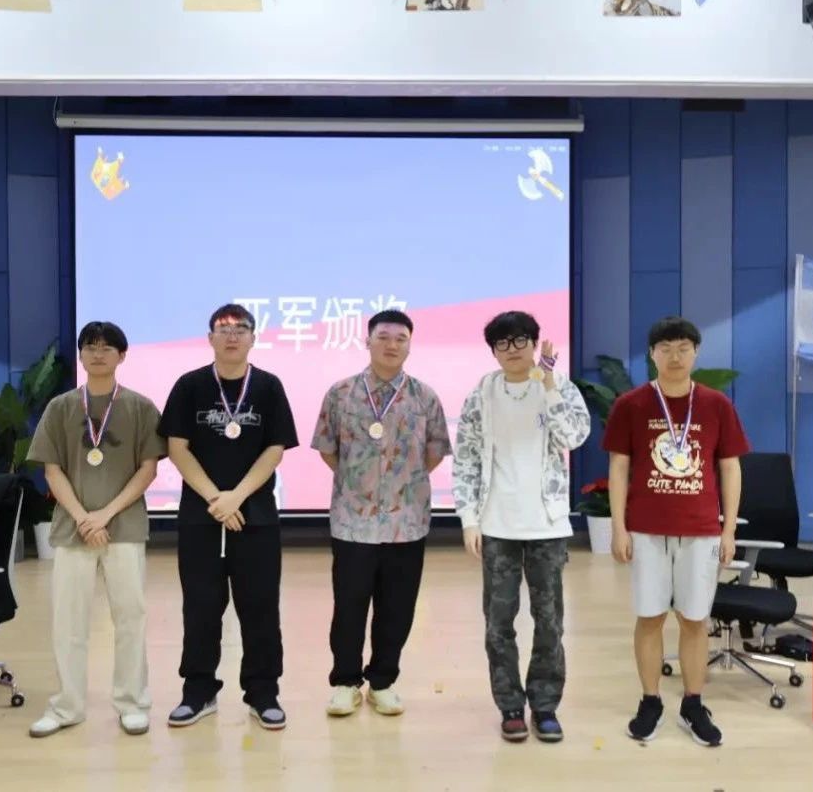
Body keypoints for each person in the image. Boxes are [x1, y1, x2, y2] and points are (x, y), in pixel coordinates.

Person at [603, 316, 749, 747]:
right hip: (646, 530)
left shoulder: (716, 405)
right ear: (652, 354)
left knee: (694, 619)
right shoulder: (631, 405)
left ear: (696, 353)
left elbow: (730, 468)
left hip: (701, 530)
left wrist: (728, 530)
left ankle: (693, 703)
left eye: (684, 348)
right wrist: (618, 527)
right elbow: (619, 468)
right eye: (665, 348)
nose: (675, 356)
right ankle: (650, 701)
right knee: (649, 617)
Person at [159, 304, 298, 729]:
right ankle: (198, 691)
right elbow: (177, 447)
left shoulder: (269, 387)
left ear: (253, 337)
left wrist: (236, 497)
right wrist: (215, 499)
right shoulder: (190, 385)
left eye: (241, 328)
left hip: (255, 517)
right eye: (224, 329)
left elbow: (274, 449)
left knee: (260, 608)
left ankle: (263, 693)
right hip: (200, 518)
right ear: (210, 338)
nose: (232, 335)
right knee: (201, 608)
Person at [453, 310, 590, 742]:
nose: (512, 350)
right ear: (493, 351)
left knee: (549, 622)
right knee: (499, 623)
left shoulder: (558, 385)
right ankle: (510, 705)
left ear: (534, 343)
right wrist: (469, 519)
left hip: (546, 526)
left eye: (520, 341)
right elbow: (466, 458)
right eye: (503, 343)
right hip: (497, 526)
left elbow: (573, 438)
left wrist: (547, 385)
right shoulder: (482, 394)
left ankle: (545, 705)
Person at [27, 321, 165, 738]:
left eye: (107, 347)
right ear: (81, 355)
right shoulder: (61, 407)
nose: (98, 354)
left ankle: (131, 703)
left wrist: (104, 515)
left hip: (123, 527)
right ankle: (67, 705)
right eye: (90, 347)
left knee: (130, 618)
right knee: (69, 621)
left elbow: (148, 469)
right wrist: (84, 517)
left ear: (122, 356)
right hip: (74, 529)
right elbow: (52, 470)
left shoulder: (140, 407)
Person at [311, 309, 451, 717]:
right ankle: (346, 682)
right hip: (353, 521)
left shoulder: (424, 397)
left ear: (410, 345)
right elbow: (328, 449)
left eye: (400, 338)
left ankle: (383, 681)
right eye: (383, 336)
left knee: (397, 607)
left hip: (406, 522)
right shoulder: (341, 393)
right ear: (368, 341)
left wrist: (400, 485)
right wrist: (360, 481)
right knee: (349, 605)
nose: (392, 345)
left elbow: (434, 452)